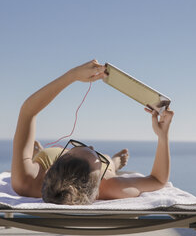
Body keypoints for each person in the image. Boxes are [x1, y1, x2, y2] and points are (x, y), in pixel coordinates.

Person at [11, 59, 174, 205]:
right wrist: (163, 136)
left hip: (46, 159)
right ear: (98, 188)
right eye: (97, 157)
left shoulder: (25, 182)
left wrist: (73, 75)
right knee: (108, 164)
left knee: (42, 154)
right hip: (97, 171)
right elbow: (158, 180)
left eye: (76, 147)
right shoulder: (110, 186)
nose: (90, 145)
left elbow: (28, 112)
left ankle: (38, 153)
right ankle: (113, 163)